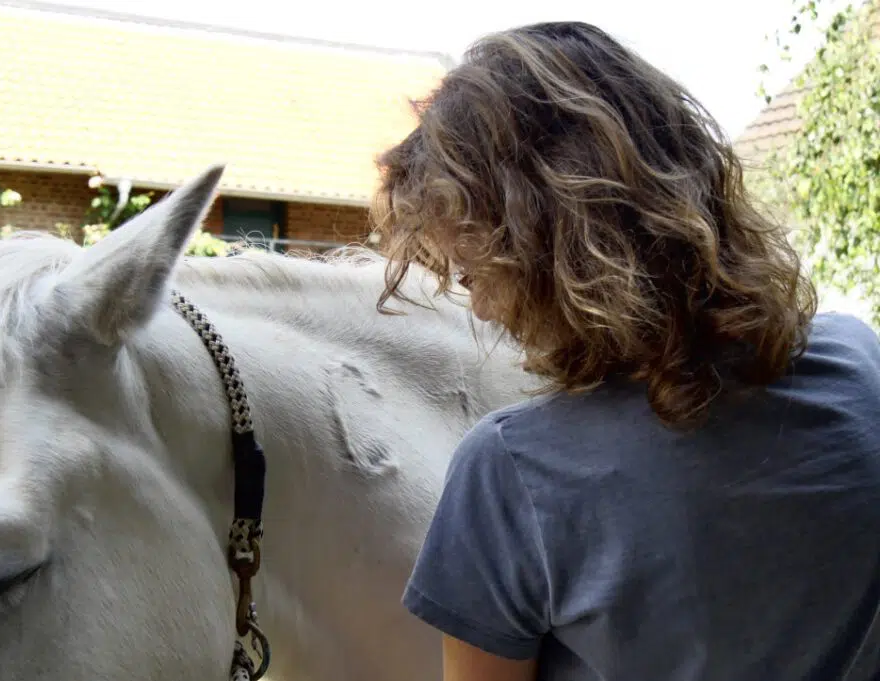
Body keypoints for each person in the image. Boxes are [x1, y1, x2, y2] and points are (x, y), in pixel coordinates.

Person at [370, 20, 880, 681]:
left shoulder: (509, 474)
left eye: (479, 275)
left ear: (551, 247)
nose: (483, 308)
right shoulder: (860, 368)